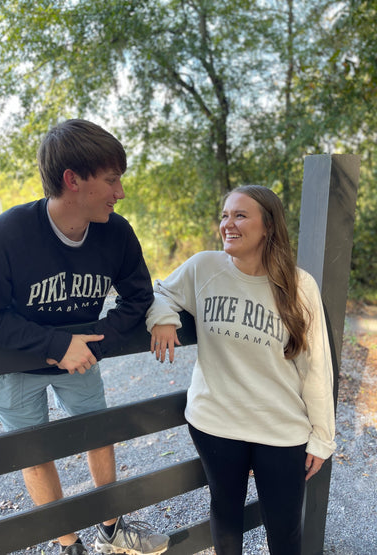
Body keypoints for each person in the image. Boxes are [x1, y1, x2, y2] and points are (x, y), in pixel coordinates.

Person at [0, 119, 170, 555]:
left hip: (82, 357)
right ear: (73, 180)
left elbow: (138, 296)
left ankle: (111, 530)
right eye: (112, 180)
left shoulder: (116, 233)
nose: (120, 192)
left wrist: (95, 343)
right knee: (35, 453)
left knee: (100, 433)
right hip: (14, 363)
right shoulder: (3, 238)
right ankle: (68, 543)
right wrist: (55, 346)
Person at [145, 185, 336, 555]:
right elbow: (160, 291)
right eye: (224, 215)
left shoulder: (300, 286)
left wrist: (322, 436)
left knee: (283, 529)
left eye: (240, 215)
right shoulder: (203, 266)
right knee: (226, 515)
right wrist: (164, 318)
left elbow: (316, 368)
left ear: (268, 226)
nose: (227, 224)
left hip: (280, 428)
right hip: (216, 421)